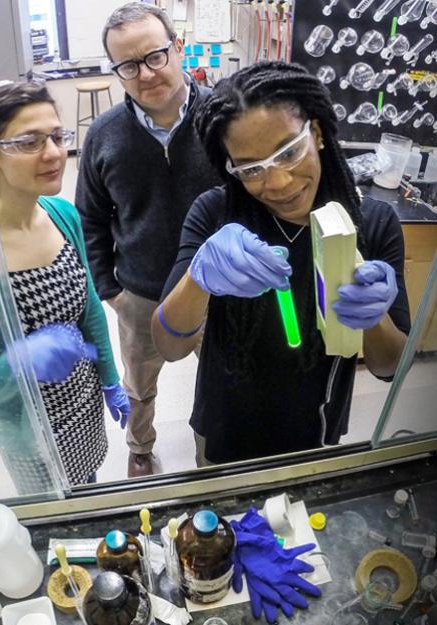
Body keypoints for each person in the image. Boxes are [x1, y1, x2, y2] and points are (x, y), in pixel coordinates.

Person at [151, 61, 410, 466]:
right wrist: (198, 278)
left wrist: (373, 318)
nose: (278, 184)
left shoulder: (372, 224)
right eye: (251, 169)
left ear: (318, 133)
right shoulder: (214, 213)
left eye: (289, 152)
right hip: (222, 429)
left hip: (315, 432)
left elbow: (390, 367)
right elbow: (168, 346)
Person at [0, 82, 129, 492]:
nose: (54, 153)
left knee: (89, 490)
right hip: (28, 432)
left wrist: (110, 377)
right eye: (29, 141)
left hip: (83, 404)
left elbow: (90, 306)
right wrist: (18, 361)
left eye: (57, 137)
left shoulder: (61, 215)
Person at [75, 2, 220, 477]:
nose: (146, 73)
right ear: (117, 70)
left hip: (216, 292)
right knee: (139, 387)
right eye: (129, 65)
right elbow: (90, 219)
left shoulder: (223, 119)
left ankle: (210, 451)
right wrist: (108, 289)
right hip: (138, 294)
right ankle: (140, 449)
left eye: (155, 56)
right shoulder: (103, 136)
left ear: (177, 48)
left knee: (220, 380)